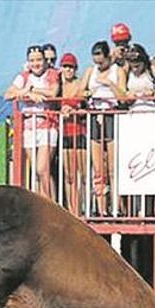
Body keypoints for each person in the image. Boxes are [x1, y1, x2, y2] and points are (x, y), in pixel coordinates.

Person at [4, 45, 60, 199]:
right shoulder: (23, 76)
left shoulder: (51, 74)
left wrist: (33, 90)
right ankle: (43, 205)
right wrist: (25, 92)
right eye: (32, 60)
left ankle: (52, 206)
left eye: (39, 60)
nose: (36, 64)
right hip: (28, 126)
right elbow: (8, 94)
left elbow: (52, 92)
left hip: (47, 125)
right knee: (36, 170)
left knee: (43, 168)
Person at [79, 40, 126, 216]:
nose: (98, 65)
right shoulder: (90, 71)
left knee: (113, 166)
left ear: (108, 58)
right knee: (98, 167)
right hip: (95, 115)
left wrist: (109, 84)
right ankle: (101, 208)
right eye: (95, 61)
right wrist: (86, 93)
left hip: (111, 114)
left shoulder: (117, 71)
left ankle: (117, 206)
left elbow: (123, 96)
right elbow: (79, 91)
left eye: (101, 61)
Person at [59, 52, 86, 216]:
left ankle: (82, 207)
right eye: (66, 67)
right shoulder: (58, 87)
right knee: (69, 176)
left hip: (80, 131)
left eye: (71, 67)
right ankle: (72, 210)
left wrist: (75, 111)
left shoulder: (80, 85)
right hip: (65, 133)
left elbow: (87, 108)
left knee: (82, 174)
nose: (68, 70)